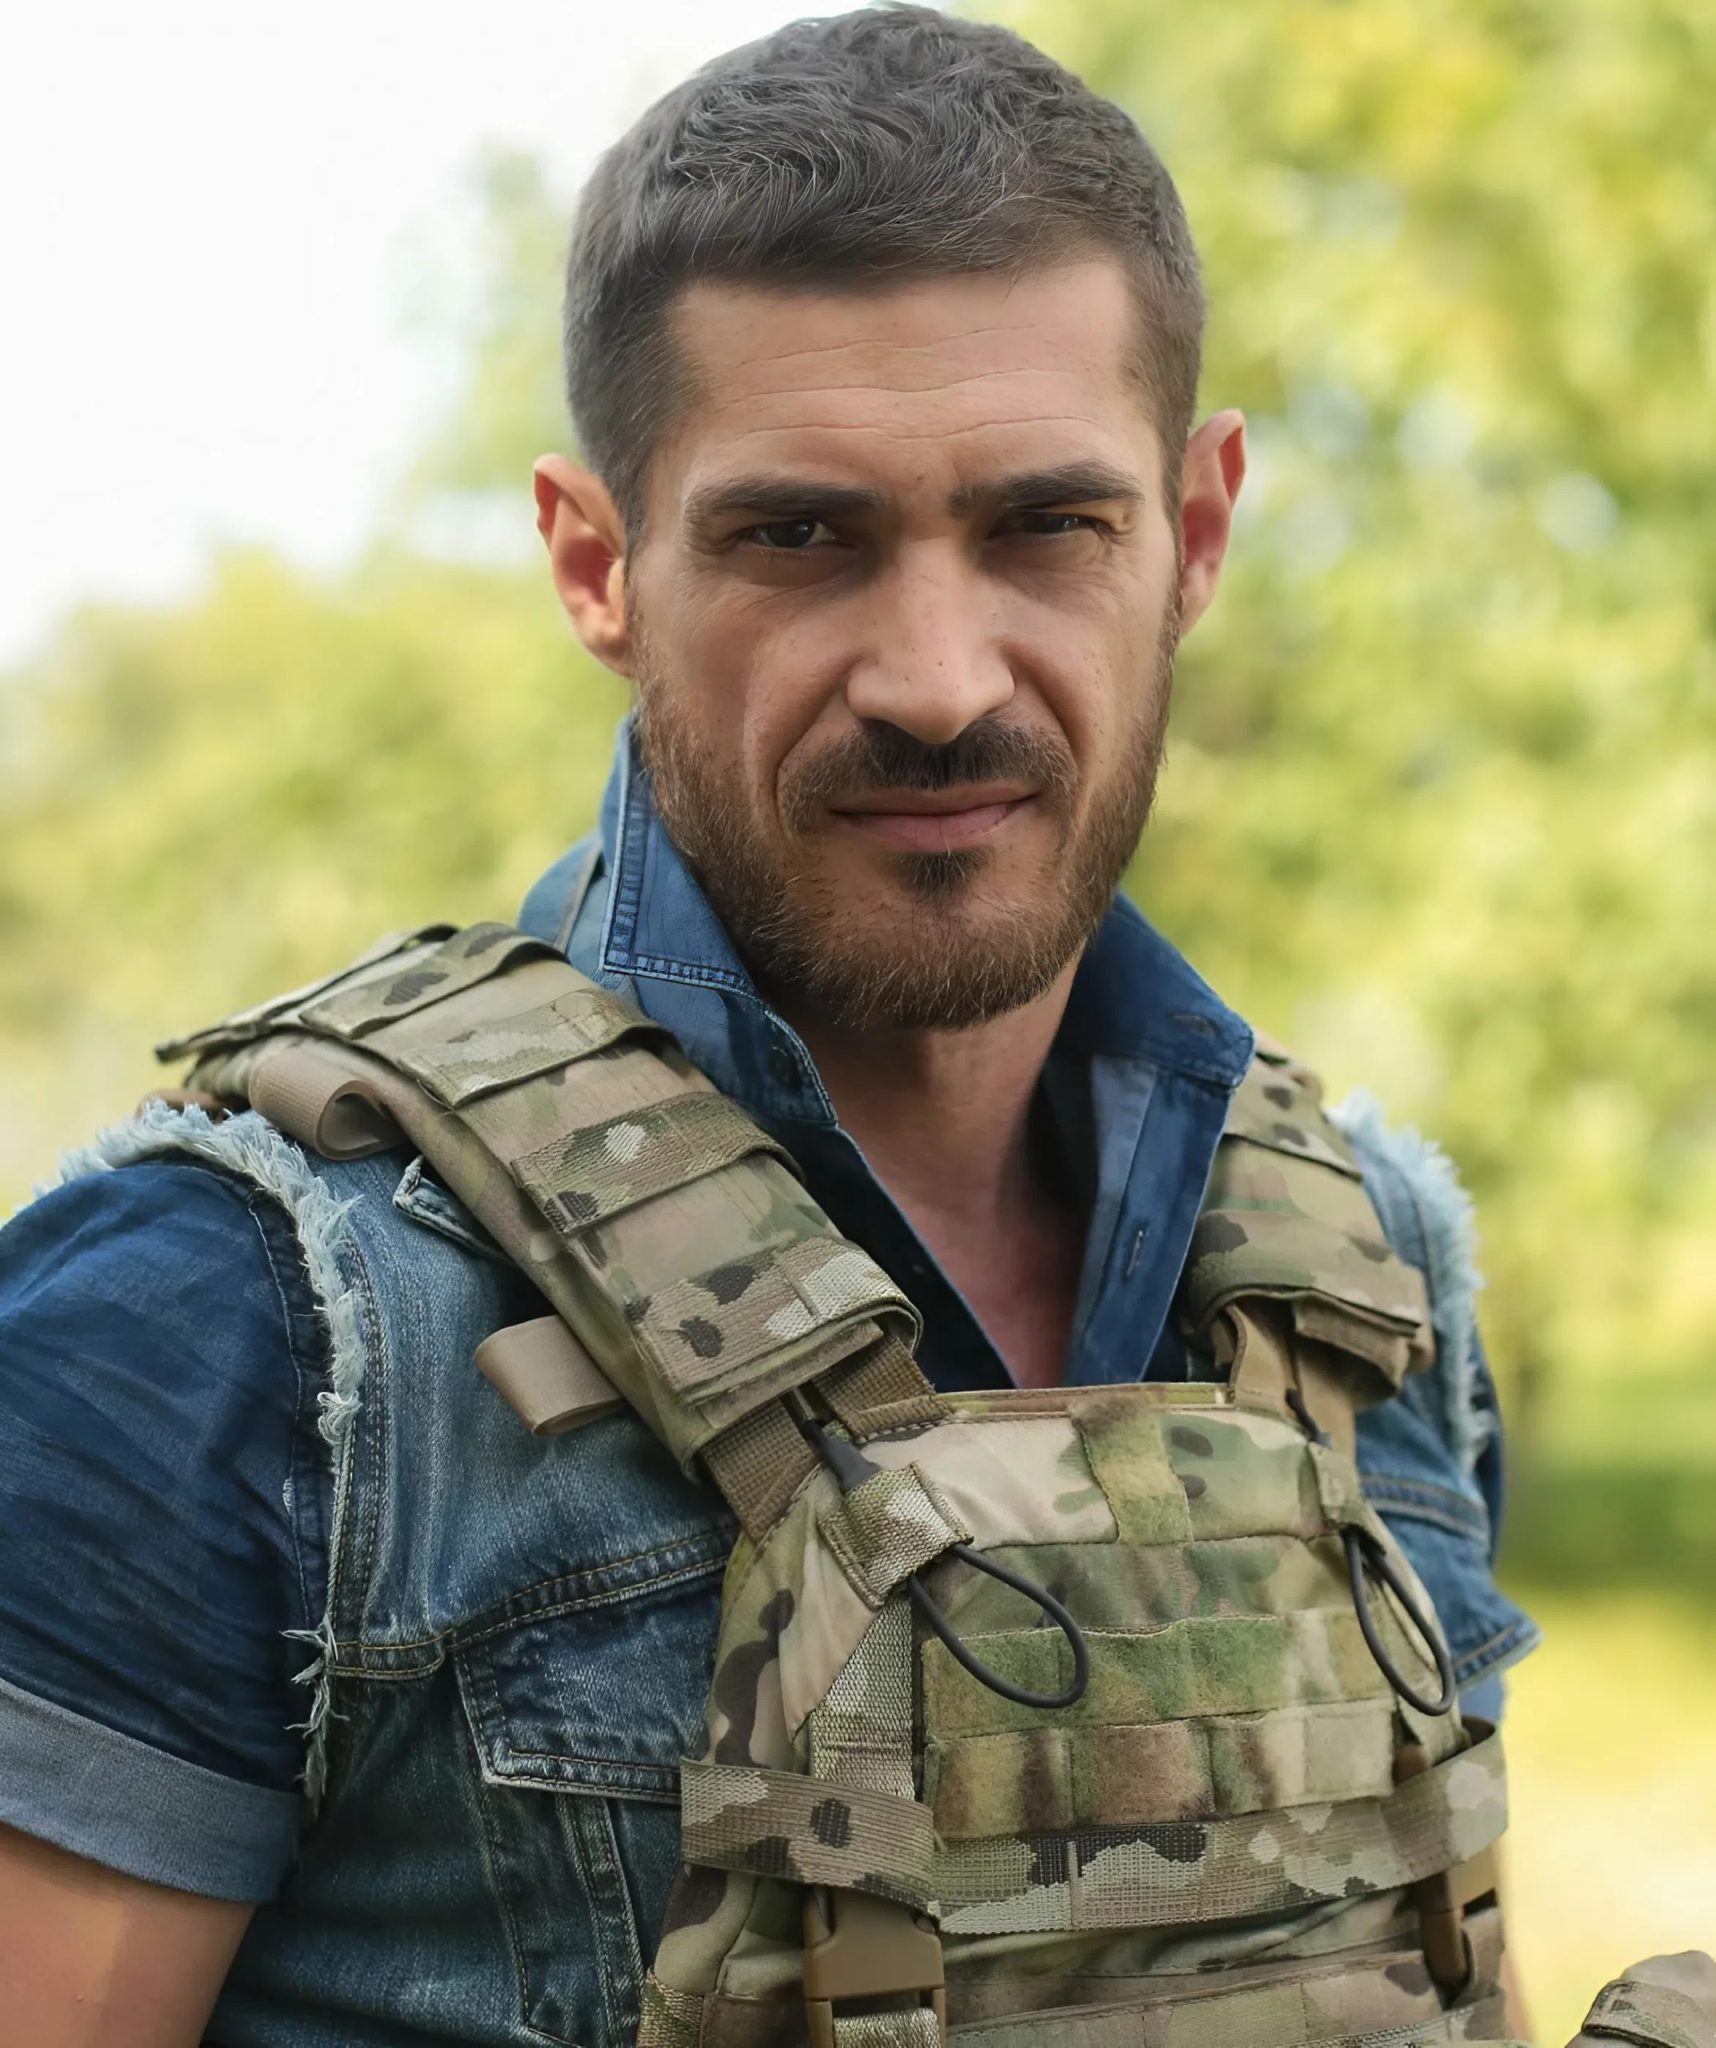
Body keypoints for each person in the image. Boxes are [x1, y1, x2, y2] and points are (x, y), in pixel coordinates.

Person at [0, 9, 1566, 2045]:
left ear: (1193, 535)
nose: (937, 677)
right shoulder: (229, 1328)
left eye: (1045, 525)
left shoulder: (1357, 1267)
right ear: (598, 566)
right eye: (799, 537)